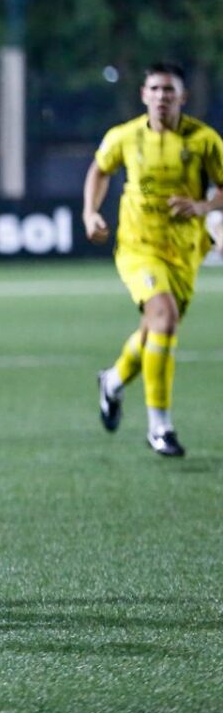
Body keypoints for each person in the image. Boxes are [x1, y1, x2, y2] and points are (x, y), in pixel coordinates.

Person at [84, 62, 223, 457]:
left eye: (169, 90)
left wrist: (203, 207)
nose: (162, 96)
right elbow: (99, 170)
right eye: (156, 89)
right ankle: (159, 425)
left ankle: (112, 381)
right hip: (138, 246)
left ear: (183, 97)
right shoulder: (124, 136)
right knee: (164, 317)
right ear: (144, 95)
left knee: (154, 329)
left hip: (185, 250)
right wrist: (90, 213)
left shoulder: (204, 140)